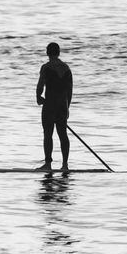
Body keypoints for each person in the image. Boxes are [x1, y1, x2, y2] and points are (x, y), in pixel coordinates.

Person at [36, 42, 73, 172]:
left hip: (50, 105)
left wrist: (38, 97)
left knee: (48, 134)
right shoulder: (67, 68)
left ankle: (48, 164)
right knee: (63, 134)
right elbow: (70, 91)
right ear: (58, 53)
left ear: (47, 53)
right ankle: (65, 165)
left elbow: (40, 85)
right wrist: (67, 107)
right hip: (63, 105)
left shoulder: (46, 67)